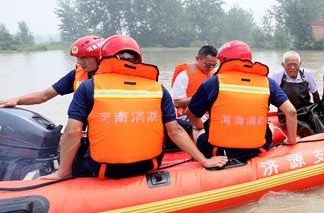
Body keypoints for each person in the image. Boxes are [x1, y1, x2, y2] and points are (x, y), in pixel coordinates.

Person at [41, 35, 227, 180]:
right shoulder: (157, 89)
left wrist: (62, 173)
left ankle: (64, 175)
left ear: (103, 58)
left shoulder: (88, 87)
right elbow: (175, 131)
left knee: (79, 149)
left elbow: (73, 132)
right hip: (149, 164)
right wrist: (204, 161)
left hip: (104, 169)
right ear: (139, 59)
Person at [187, 40, 298, 162]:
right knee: (271, 125)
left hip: (218, 151)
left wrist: (202, 127)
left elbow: (191, 113)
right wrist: (291, 141)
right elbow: (291, 111)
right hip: (258, 148)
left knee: (196, 129)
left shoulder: (212, 82)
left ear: (224, 60)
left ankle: (195, 155)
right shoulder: (267, 82)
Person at [0, 35, 104, 107]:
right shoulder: (78, 74)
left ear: (99, 56)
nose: (80, 62)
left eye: (84, 57)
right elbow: (44, 96)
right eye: (78, 58)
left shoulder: (116, 75)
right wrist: (17, 100)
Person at [270, 51, 324, 136]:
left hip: (307, 110)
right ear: (283, 65)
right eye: (289, 65)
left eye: (295, 64)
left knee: (317, 119)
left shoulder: (306, 74)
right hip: (287, 113)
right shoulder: (277, 75)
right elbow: (268, 95)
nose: (292, 68)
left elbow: (315, 93)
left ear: (300, 64)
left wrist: (319, 110)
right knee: (305, 128)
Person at [170, 45, 218, 117]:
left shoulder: (214, 75)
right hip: (188, 116)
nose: (211, 68)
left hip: (208, 114)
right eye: (208, 65)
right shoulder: (184, 75)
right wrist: (200, 98)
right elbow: (177, 102)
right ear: (198, 58)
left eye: (214, 65)